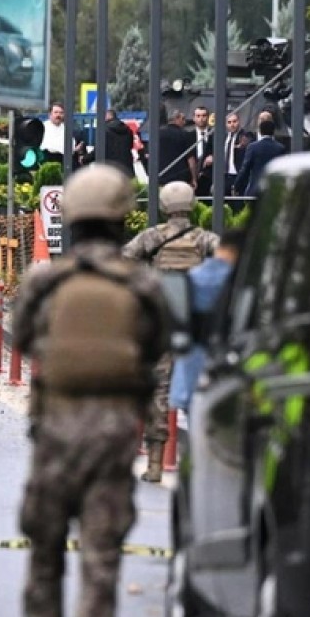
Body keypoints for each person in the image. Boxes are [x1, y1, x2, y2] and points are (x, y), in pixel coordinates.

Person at [4, 164, 169, 617]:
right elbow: (161, 344)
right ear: (123, 219)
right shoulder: (141, 284)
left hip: (55, 433)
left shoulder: (48, 280)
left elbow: (19, 335)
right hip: (115, 436)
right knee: (101, 564)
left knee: (45, 555)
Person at [121, 181, 218, 483]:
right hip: (196, 326)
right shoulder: (205, 240)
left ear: (164, 206)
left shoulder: (152, 237)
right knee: (203, 391)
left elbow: (124, 260)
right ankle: (202, 467)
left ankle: (154, 465)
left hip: (162, 324)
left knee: (158, 392)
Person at [169, 226, 244, 415]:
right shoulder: (241, 281)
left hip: (189, 375)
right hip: (226, 377)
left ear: (220, 248)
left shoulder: (191, 278)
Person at [233, 119, 286, 198]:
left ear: (260, 131)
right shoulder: (280, 148)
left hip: (255, 190)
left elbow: (245, 169)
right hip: (273, 191)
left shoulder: (253, 147)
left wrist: (236, 186)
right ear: (273, 131)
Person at [158, 108, 196, 188]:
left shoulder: (158, 134)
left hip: (162, 177)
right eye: (183, 119)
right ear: (178, 119)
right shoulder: (185, 135)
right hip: (181, 178)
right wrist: (194, 179)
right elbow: (190, 159)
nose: (184, 122)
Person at [101, 109, 134, 176]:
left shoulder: (105, 130)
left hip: (110, 167)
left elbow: (100, 148)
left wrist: (85, 158)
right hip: (126, 166)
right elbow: (130, 145)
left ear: (108, 116)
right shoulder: (127, 129)